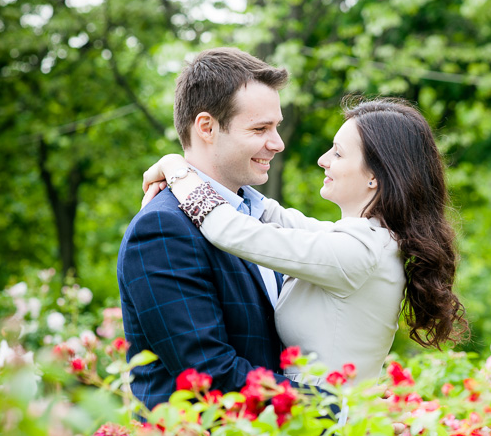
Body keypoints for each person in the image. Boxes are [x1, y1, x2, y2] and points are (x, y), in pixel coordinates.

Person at [141, 97, 468, 385]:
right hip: (324, 427)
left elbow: (230, 230)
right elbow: (269, 213)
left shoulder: (358, 252)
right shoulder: (365, 240)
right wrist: (216, 172)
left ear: (375, 176)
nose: (323, 159)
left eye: (338, 154)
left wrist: (176, 168)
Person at [118, 47, 301, 410]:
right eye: (260, 128)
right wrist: (336, 406)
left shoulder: (257, 215)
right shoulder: (162, 228)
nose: (277, 143)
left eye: (276, 127)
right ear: (207, 127)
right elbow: (211, 374)